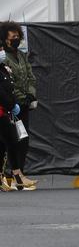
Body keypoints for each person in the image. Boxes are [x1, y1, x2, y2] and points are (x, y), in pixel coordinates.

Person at [0, 22, 37, 189]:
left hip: (24, 104)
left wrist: (30, 94)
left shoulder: (21, 55)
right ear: (5, 39)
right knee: (8, 141)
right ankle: (9, 175)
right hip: (10, 105)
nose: (16, 40)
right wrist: (14, 101)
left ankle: (18, 174)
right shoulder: (3, 57)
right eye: (12, 37)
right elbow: (7, 84)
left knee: (23, 139)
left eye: (17, 37)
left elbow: (30, 77)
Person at [0, 46, 28, 191]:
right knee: (11, 142)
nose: (2, 52)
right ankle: (17, 176)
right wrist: (11, 105)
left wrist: (14, 103)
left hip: (4, 111)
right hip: (2, 111)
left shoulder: (3, 68)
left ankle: (13, 177)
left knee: (6, 144)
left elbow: (10, 88)